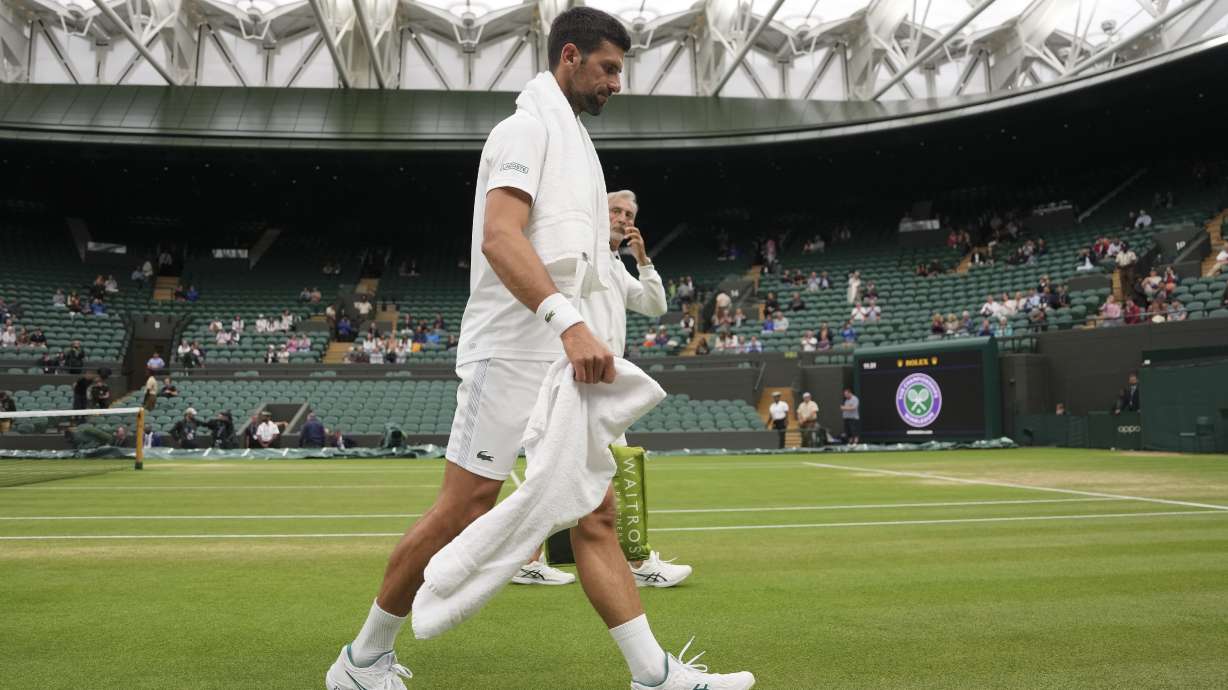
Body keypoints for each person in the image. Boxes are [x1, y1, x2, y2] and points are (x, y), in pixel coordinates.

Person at [327, 12, 752, 690]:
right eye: (608, 68)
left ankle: (653, 675)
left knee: (596, 513)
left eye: (622, 70)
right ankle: (362, 658)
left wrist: (579, 330)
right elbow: (501, 236)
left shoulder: (576, 142)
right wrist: (567, 320)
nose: (618, 82)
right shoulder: (524, 130)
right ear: (571, 56)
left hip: (560, 354)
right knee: (464, 507)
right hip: (512, 350)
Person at [515, 188, 692, 590]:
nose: (623, 217)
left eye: (628, 212)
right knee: (615, 468)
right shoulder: (586, 253)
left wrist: (643, 260)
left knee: (559, 473)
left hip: (602, 380)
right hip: (581, 375)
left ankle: (527, 558)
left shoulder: (615, 265)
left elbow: (655, 305)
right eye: (615, 210)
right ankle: (639, 560)